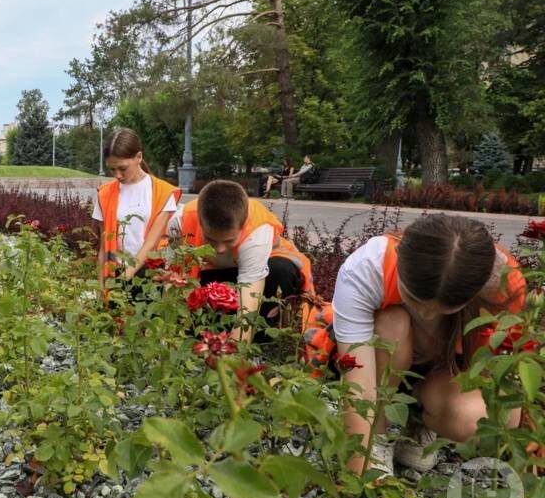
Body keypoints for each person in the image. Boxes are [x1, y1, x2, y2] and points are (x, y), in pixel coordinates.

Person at [328, 214, 525, 475]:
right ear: (400, 256)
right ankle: (378, 433)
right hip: (382, 361)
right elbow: (358, 387)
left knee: (496, 418)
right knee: (392, 321)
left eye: (445, 308)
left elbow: (501, 384)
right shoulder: (366, 268)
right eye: (413, 298)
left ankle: (421, 419)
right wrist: (359, 476)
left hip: (444, 372)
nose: (428, 316)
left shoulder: (504, 285)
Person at [167, 180, 313, 342]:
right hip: (212, 272)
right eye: (210, 240)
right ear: (200, 222)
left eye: (229, 240)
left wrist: (235, 357)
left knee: (279, 270)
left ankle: (262, 342)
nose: (220, 249)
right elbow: (173, 278)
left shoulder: (256, 234)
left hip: (264, 273)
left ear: (243, 226)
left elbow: (248, 306)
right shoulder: (180, 223)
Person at [92, 128, 181, 288]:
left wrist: (127, 276)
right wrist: (101, 289)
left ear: (139, 157)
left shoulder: (162, 192)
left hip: (150, 277)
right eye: (112, 169)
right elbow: (104, 248)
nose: (118, 175)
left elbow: (151, 242)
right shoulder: (104, 194)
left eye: (123, 168)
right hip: (115, 274)